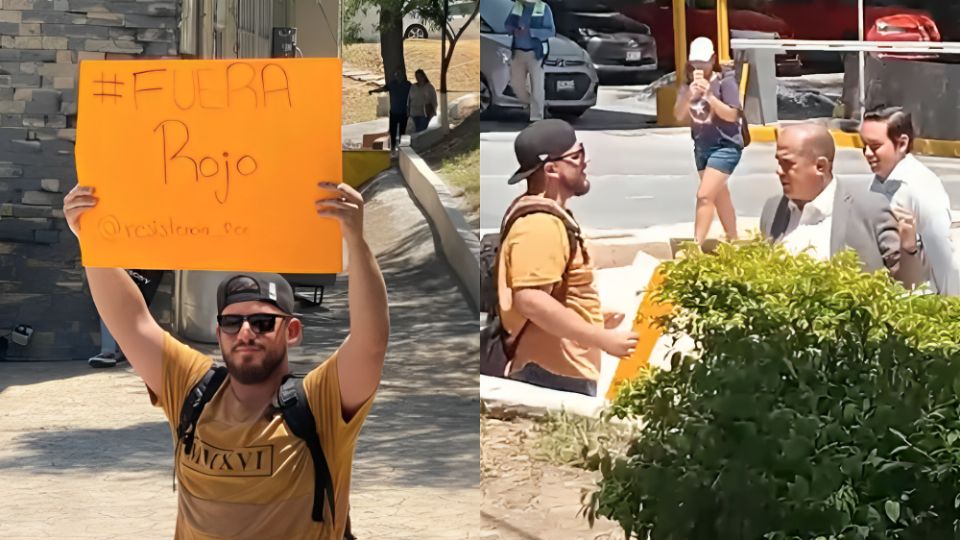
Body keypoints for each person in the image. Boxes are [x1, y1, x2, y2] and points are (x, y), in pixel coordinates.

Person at [62, 181, 389, 539]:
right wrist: (88, 237)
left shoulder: (320, 402)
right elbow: (132, 321)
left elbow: (370, 343)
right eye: (232, 322)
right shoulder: (192, 389)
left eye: (263, 322)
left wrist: (355, 241)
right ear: (219, 335)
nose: (245, 332)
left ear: (292, 331)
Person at [496, 119, 638, 396]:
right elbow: (531, 300)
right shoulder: (539, 224)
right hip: (551, 374)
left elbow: (555, 293)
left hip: (561, 370)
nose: (585, 163)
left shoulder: (551, 216)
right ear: (551, 169)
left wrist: (593, 316)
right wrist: (604, 339)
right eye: (576, 156)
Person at [760, 123, 920, 282]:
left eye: (787, 164)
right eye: (778, 162)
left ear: (820, 166)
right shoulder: (774, 210)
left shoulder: (868, 209)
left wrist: (909, 249)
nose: (779, 171)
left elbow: (908, 283)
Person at [859, 106, 959, 295]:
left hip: (919, 305)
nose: (867, 154)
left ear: (902, 144)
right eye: (864, 146)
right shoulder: (878, 183)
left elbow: (945, 258)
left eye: (875, 146)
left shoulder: (921, 186)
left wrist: (951, 310)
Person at [674, 36, 745, 246]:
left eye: (702, 62)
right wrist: (689, 95)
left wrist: (709, 96)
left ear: (712, 60)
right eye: (694, 63)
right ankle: (734, 240)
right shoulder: (688, 85)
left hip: (726, 146)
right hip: (702, 147)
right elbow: (679, 116)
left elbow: (733, 115)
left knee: (704, 195)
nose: (698, 67)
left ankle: (696, 246)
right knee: (719, 195)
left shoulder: (725, 82)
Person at [89, 269, 165, 368]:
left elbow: (145, 279)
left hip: (146, 272)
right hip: (137, 271)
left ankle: (112, 352)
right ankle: (111, 352)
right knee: (112, 305)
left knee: (123, 308)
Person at [504, 0, 555, 123]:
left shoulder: (543, 8)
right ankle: (531, 104)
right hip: (518, 52)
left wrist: (531, 32)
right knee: (516, 85)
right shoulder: (518, 6)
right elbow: (507, 25)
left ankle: (536, 118)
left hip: (535, 53)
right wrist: (513, 29)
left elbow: (551, 31)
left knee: (537, 86)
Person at [369, 69, 412, 153]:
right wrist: (373, 91)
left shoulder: (408, 85)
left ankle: (401, 148)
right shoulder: (392, 84)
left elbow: (414, 95)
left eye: (400, 74)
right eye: (397, 74)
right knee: (393, 131)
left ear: (403, 75)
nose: (398, 76)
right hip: (394, 112)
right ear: (395, 76)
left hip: (403, 112)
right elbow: (383, 89)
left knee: (402, 131)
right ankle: (393, 147)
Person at [407, 69, 438, 133]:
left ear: (423, 76)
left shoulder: (429, 87)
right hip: (413, 114)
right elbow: (409, 100)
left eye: (420, 76)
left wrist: (432, 113)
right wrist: (408, 111)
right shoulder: (413, 87)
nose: (418, 78)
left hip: (424, 114)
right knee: (415, 132)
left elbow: (434, 101)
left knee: (421, 131)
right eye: (416, 76)